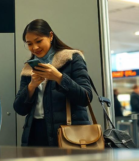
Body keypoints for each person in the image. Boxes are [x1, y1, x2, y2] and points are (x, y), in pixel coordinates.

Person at [13, 19, 93, 147]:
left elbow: (86, 97)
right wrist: (31, 86)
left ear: (50, 36)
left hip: (67, 133)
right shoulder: (29, 68)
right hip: (35, 133)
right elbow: (19, 109)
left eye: (38, 41)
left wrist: (59, 77)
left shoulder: (71, 59)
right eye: (29, 43)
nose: (35, 47)